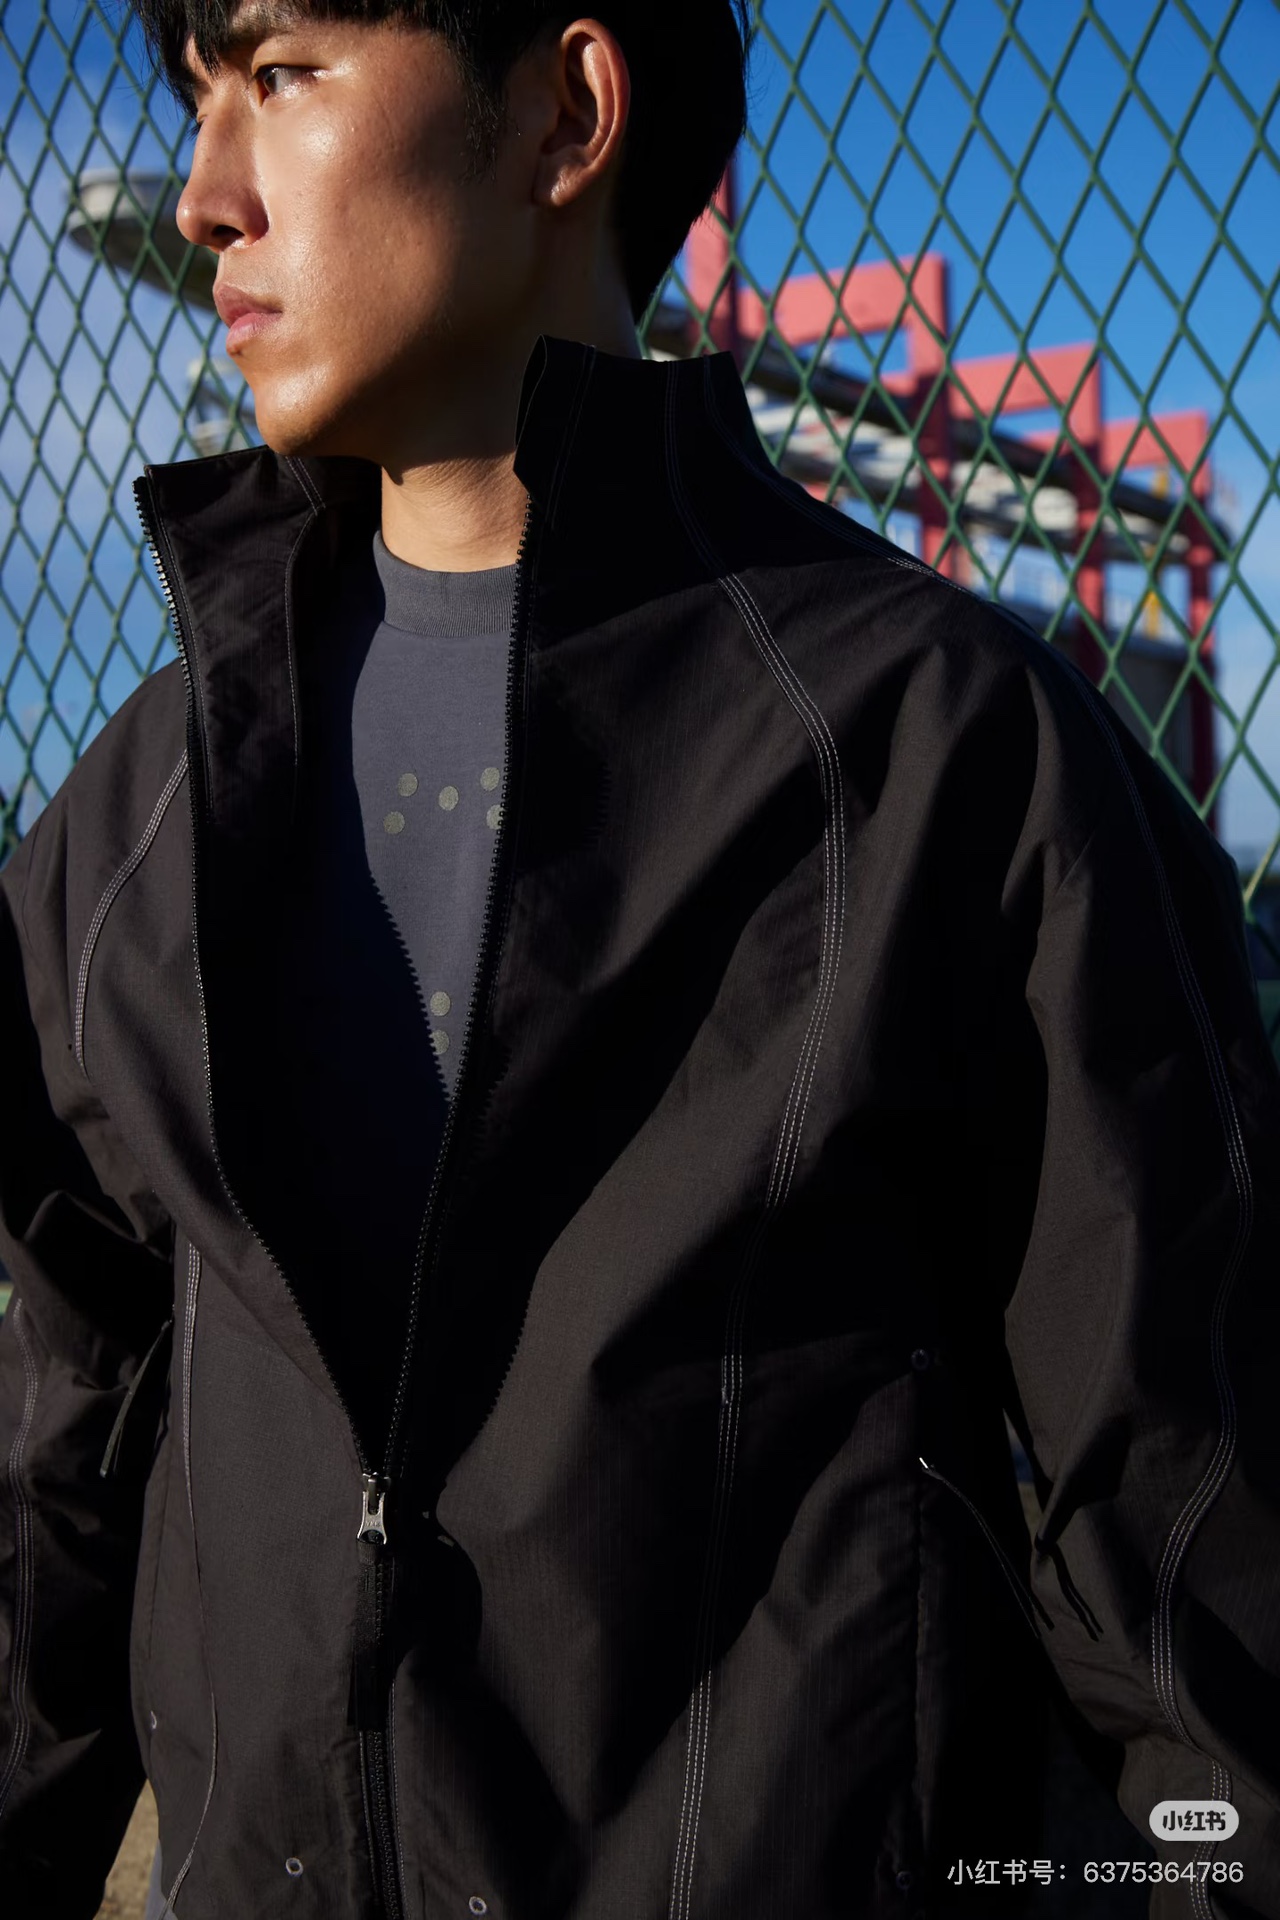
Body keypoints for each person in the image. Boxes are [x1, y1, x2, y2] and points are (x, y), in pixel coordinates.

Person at [1, 3, 1278, 1915]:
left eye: (280, 75)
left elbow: (1206, 1603)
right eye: (198, 100)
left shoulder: (948, 765)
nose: (204, 197)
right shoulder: (133, 822)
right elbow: (52, 1492)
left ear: (565, 113)